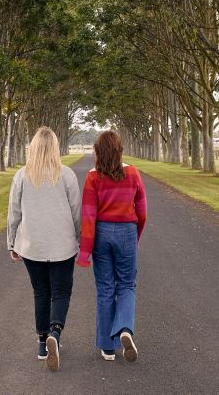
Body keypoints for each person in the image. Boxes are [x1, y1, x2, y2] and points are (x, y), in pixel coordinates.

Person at [6, 126, 81, 372]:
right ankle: (55, 334)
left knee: (41, 292)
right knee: (60, 291)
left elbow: (14, 213)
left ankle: (42, 342)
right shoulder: (67, 175)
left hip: (32, 244)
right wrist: (80, 239)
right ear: (55, 148)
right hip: (62, 245)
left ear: (33, 148)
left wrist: (12, 242)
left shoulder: (22, 176)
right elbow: (76, 213)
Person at [77, 130, 147, 363]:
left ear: (97, 152)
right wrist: (134, 236)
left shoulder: (92, 177)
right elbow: (142, 211)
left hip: (101, 233)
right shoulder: (133, 173)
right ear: (120, 150)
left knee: (105, 289)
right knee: (126, 285)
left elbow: (88, 216)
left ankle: (108, 347)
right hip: (126, 231)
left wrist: (85, 252)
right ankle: (125, 328)